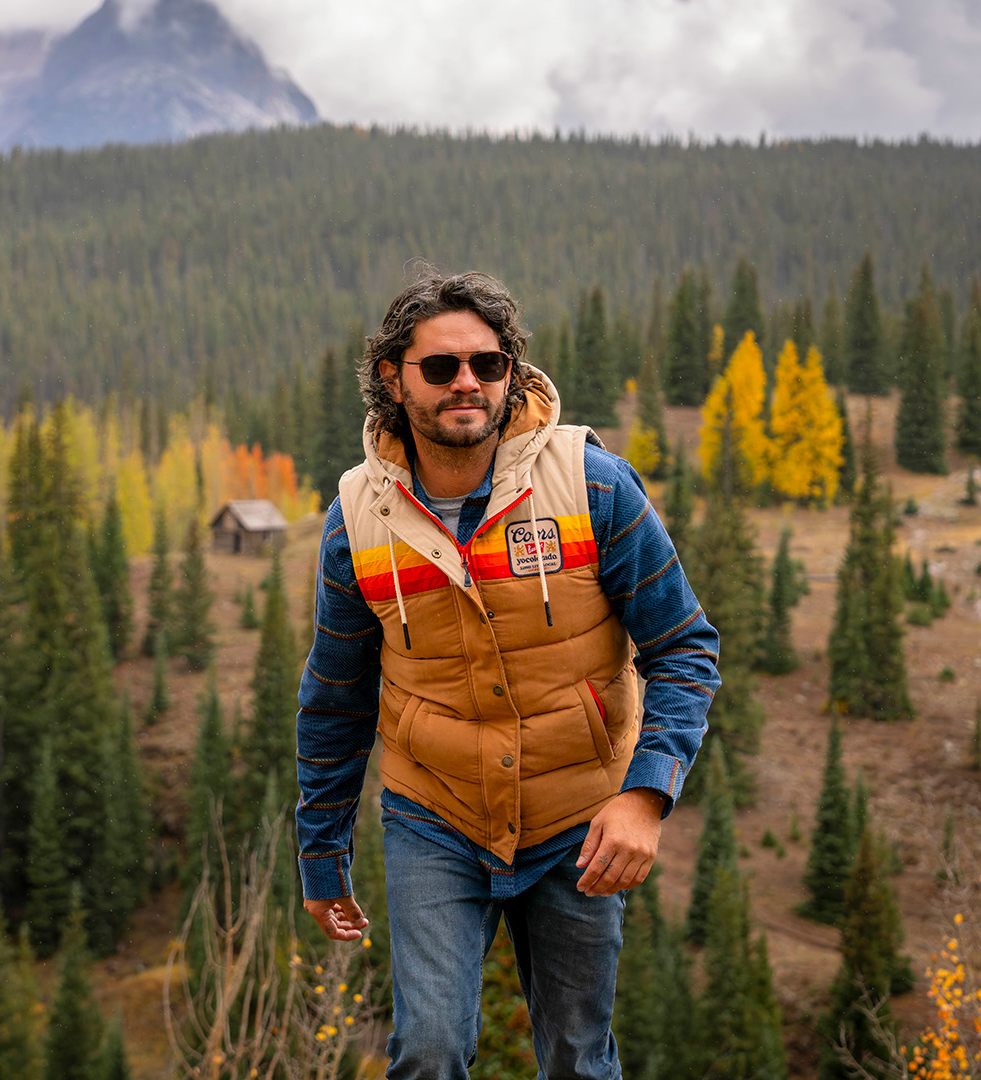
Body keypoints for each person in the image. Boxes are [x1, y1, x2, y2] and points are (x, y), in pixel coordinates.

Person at [295, 261, 719, 1080]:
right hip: (434, 815)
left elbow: (684, 648)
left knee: (575, 1058)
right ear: (393, 378)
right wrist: (321, 857)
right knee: (427, 1051)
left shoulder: (591, 483)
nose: (468, 383)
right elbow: (336, 697)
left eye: (489, 365)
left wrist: (645, 796)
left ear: (510, 373)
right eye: (441, 366)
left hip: (579, 816)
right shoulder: (356, 518)